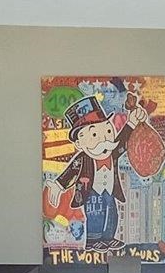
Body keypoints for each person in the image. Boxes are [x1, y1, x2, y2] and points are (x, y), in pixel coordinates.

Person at [47, 91, 128, 250]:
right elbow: (71, 172)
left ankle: (109, 237)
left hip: (110, 190)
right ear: (79, 143)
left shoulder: (112, 152)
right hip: (90, 192)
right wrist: (58, 185)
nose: (104, 139)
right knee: (94, 214)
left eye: (108, 131)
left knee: (112, 212)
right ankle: (92, 240)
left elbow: (123, 141)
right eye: (94, 134)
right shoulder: (83, 158)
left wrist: (131, 123)